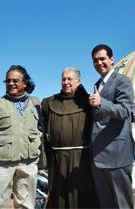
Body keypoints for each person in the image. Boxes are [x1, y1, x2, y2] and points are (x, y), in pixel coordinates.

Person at [0, 65, 42, 209]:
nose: (11, 83)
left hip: (28, 163)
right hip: (1, 164)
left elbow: (41, 129)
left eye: (15, 80)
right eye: (8, 81)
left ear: (25, 83)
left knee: (26, 205)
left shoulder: (36, 103)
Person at [42, 67, 98, 208]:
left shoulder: (89, 102)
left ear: (78, 81)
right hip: (57, 159)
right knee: (58, 196)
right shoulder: (48, 103)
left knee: (82, 195)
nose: (66, 82)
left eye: (69, 79)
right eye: (63, 79)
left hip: (82, 159)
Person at [89, 44, 135, 208]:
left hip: (117, 155)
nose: (99, 63)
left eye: (102, 59)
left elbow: (125, 110)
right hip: (99, 156)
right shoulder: (97, 84)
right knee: (106, 204)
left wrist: (102, 102)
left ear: (111, 59)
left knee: (122, 204)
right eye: (95, 60)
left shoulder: (123, 81)